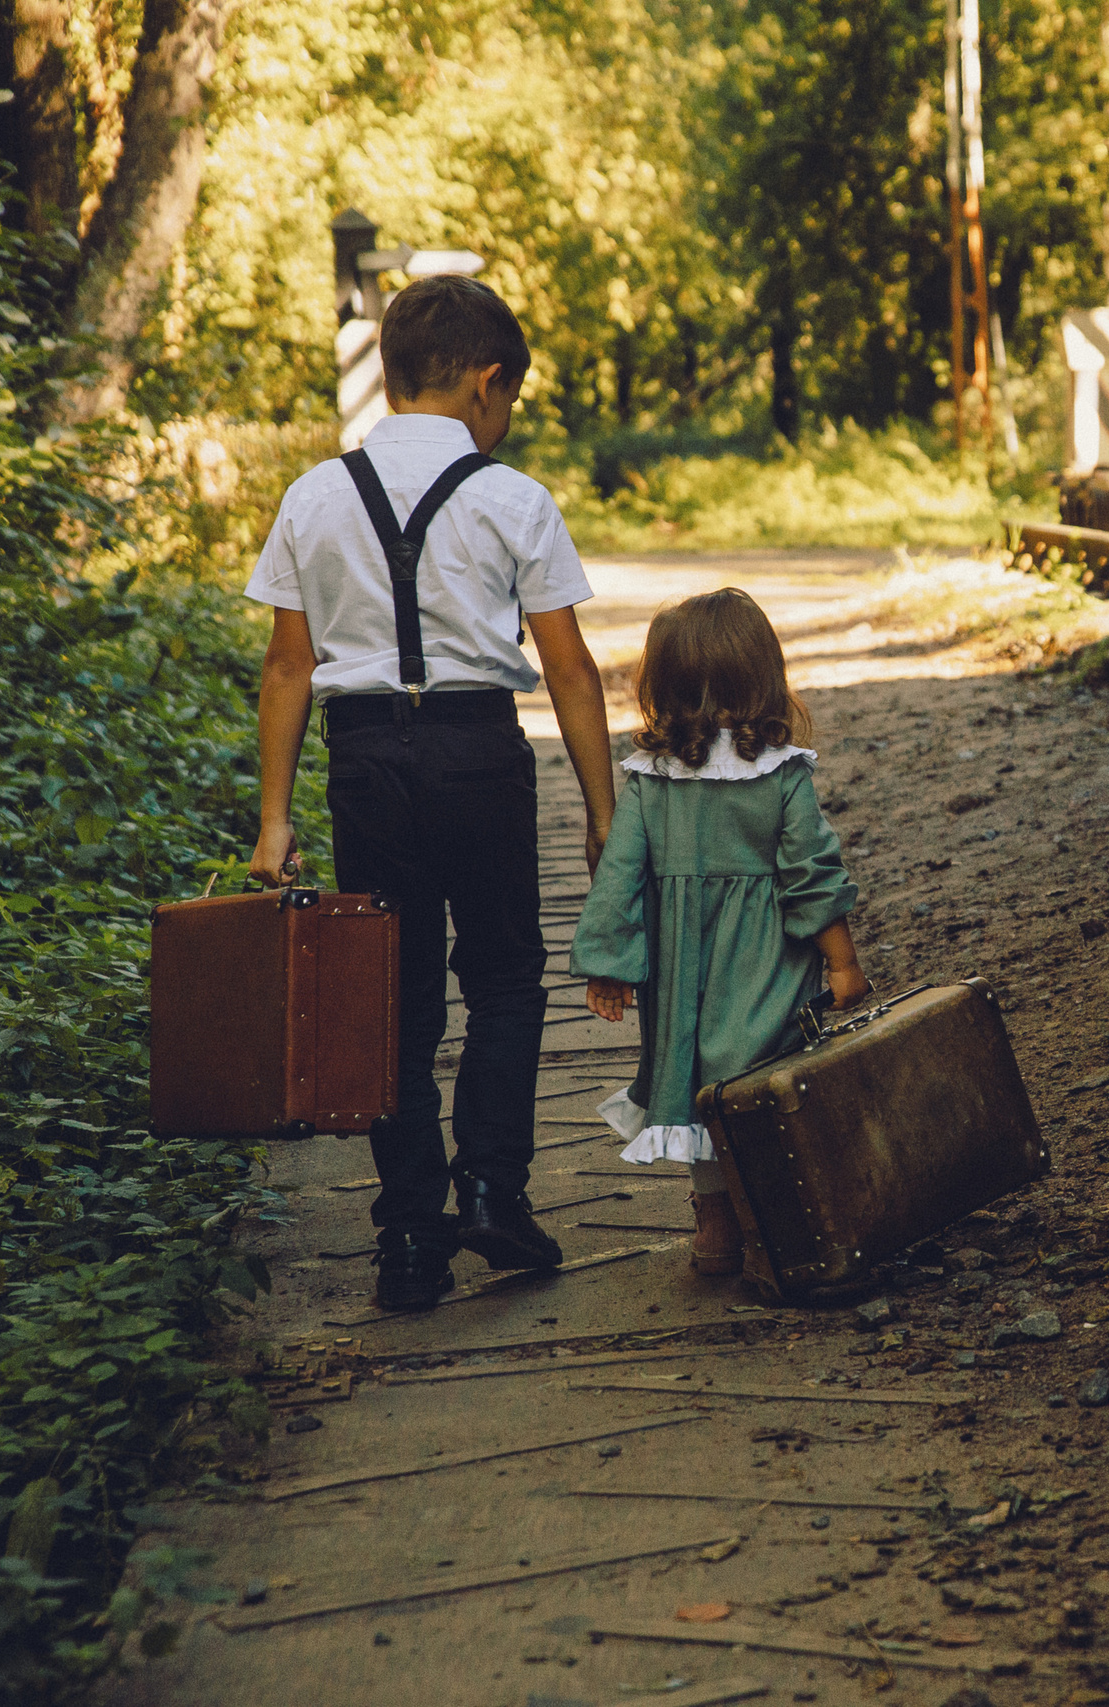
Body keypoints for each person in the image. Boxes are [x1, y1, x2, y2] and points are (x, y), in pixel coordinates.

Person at [244, 274, 619, 1312]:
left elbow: (288, 667)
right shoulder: (513, 498)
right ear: (487, 382)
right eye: (512, 399)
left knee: (391, 996)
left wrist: (274, 820)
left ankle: (409, 1236)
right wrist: (603, 814)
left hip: (366, 762)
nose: (508, 418)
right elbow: (569, 669)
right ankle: (493, 1189)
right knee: (502, 976)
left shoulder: (315, 496)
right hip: (477, 754)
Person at [570, 588, 868, 1276]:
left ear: (662, 687)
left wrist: (611, 961)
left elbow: (619, 873)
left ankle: (715, 1221)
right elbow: (813, 873)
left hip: (684, 967)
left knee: (699, 1084)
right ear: (764, 676)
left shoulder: (651, 780)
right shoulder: (781, 774)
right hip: (769, 960)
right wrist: (843, 963)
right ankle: (772, 1214)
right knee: (763, 1077)